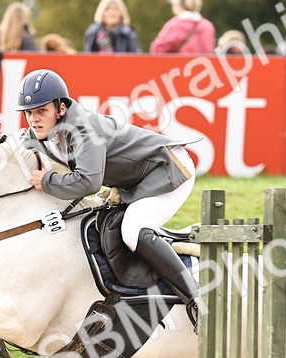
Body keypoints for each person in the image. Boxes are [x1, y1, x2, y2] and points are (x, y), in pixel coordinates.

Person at [17, 69, 200, 327]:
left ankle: (197, 300)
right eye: (28, 113)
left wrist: (47, 182)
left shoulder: (82, 130)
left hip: (170, 169)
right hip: (139, 179)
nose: (34, 120)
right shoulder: (45, 131)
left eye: (41, 111)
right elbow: (17, 149)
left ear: (60, 109)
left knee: (133, 229)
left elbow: (89, 182)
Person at [150, 0, 215, 54]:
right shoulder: (208, 26)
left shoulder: (175, 24)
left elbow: (158, 49)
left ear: (178, 4)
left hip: (180, 64)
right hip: (202, 64)